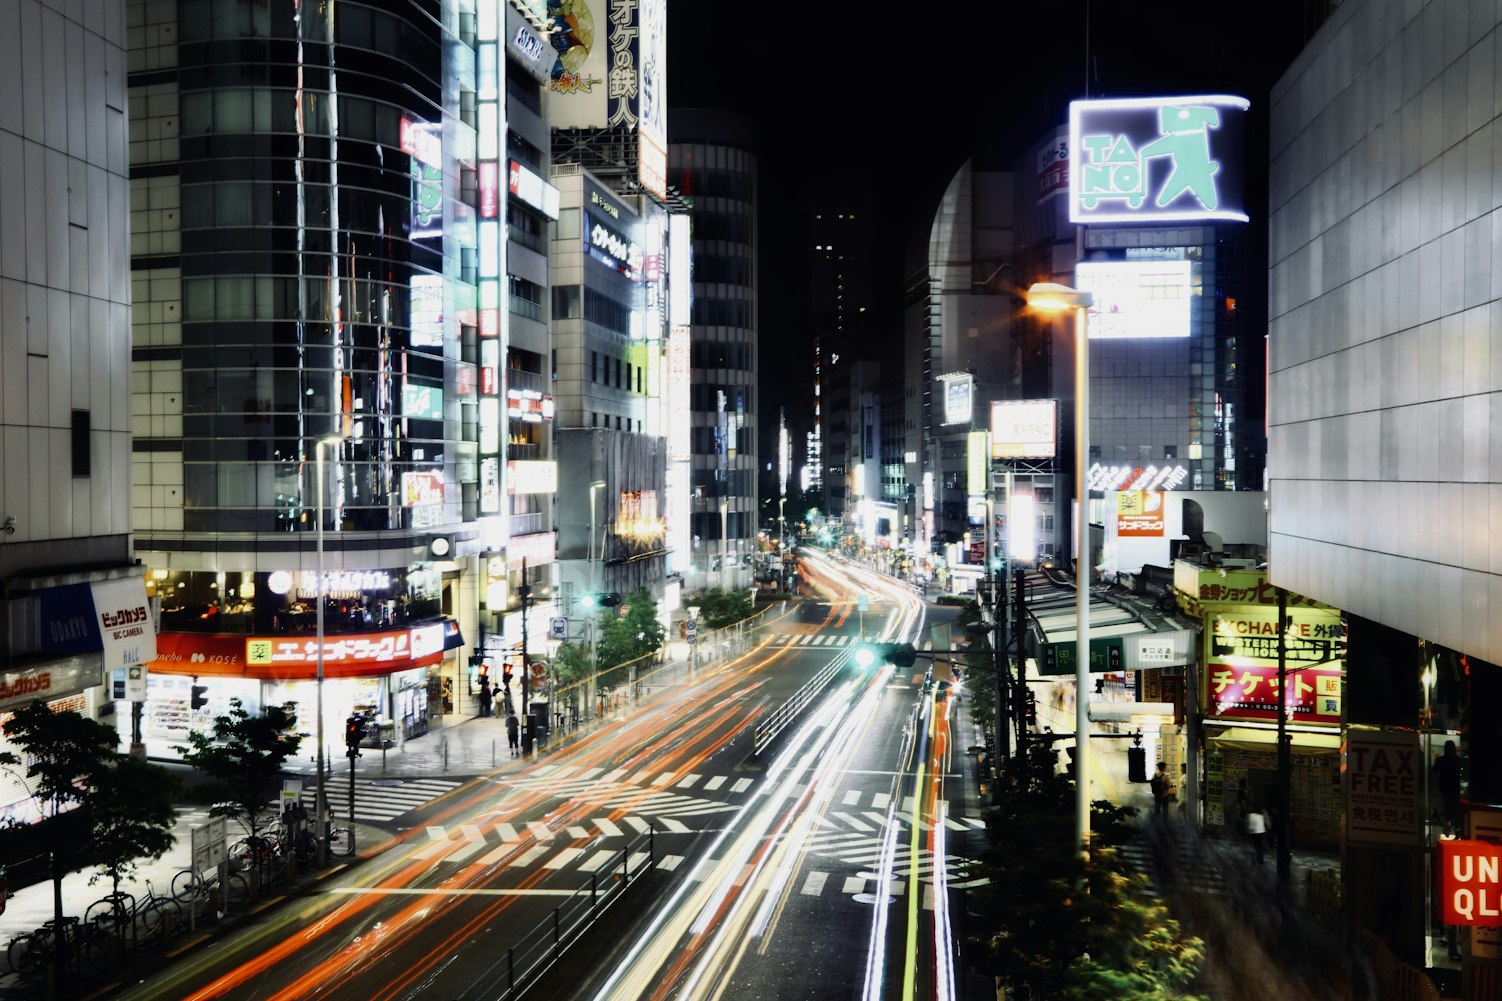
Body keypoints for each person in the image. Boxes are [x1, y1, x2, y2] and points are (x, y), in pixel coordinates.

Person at [1435, 739, 1462, 830]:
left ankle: (1448, 827)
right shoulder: (1458, 760)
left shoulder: (1440, 759)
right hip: (1455, 787)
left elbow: (1435, 770)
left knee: (1447, 808)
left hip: (1445, 787)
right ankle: (1457, 829)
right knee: (1456, 808)